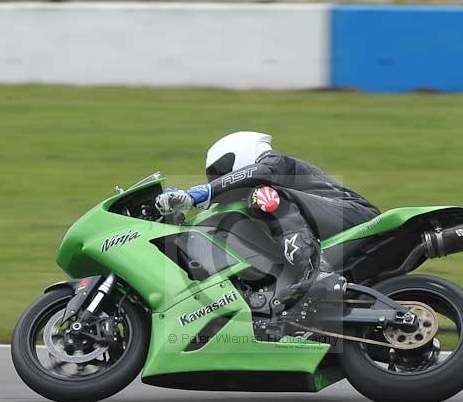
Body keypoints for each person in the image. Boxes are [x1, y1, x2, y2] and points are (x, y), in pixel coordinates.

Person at [155, 131, 380, 308]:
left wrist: (200, 192)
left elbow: (258, 173)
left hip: (355, 214)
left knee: (262, 195)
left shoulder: (275, 161)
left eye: (220, 172)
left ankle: (318, 273)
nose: (221, 179)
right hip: (332, 225)